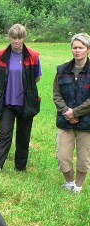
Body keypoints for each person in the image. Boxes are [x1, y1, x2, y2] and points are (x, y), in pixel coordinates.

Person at [0, 24, 42, 172]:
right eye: (14, 37)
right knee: (4, 135)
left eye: (20, 38)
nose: (17, 41)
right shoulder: (0, 56)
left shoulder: (34, 56)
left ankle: (20, 167)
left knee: (23, 137)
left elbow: (36, 78)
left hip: (26, 103)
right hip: (6, 103)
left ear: (24, 38)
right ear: (9, 37)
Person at [53, 33, 90, 193]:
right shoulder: (62, 70)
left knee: (84, 159)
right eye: (74, 47)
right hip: (65, 121)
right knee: (62, 157)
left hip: (86, 122)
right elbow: (56, 94)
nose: (77, 50)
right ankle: (70, 183)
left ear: (87, 49)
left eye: (80, 47)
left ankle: (78, 187)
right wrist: (66, 112)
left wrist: (75, 112)